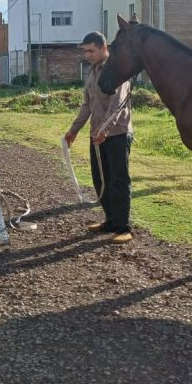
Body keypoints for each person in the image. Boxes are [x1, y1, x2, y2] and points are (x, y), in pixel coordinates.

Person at [64, 31, 133, 243]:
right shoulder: (92, 72)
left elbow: (118, 105)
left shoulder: (117, 71)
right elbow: (87, 105)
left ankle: (123, 228)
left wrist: (105, 130)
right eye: (85, 51)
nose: (87, 55)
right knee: (100, 178)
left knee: (118, 180)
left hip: (117, 134)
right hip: (97, 135)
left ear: (104, 48)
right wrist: (74, 130)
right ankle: (110, 220)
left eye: (91, 51)